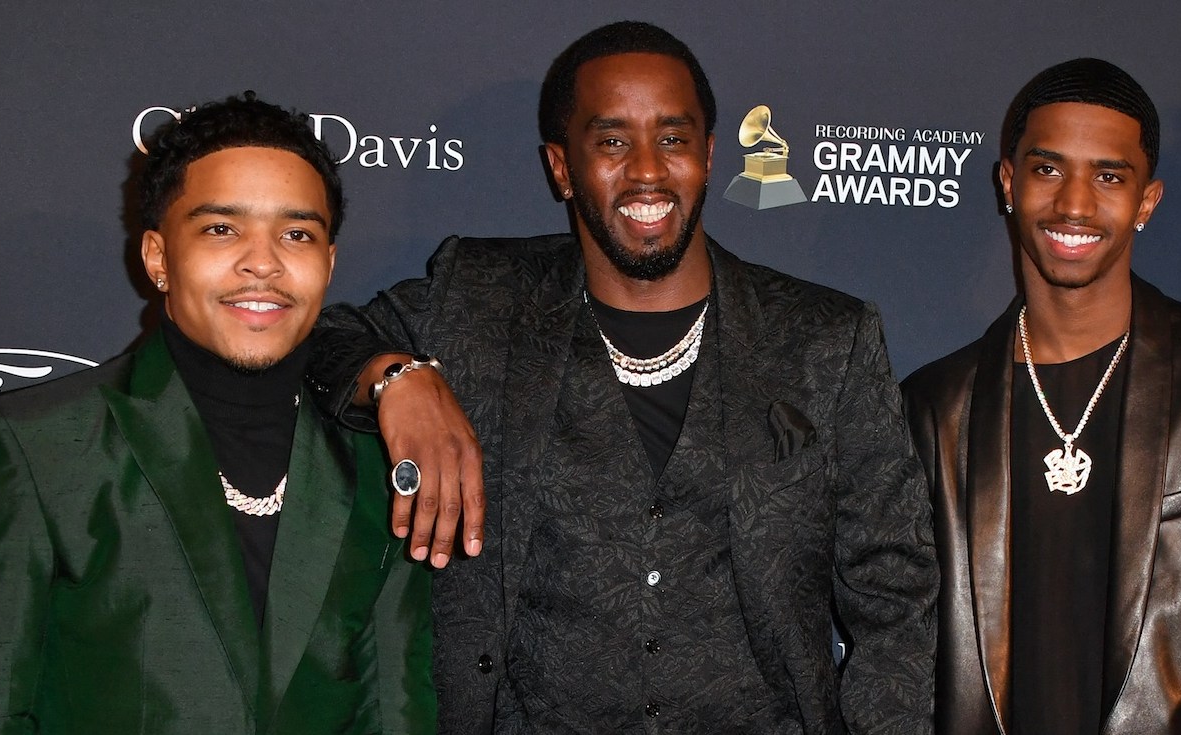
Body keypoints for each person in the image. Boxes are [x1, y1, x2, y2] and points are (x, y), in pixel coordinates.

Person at [310, 20, 936, 734]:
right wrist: (397, 378)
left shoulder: (824, 337)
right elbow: (315, 341)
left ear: (707, 155)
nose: (646, 170)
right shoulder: (478, 297)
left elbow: (895, 589)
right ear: (561, 167)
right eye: (612, 142)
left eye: (672, 139)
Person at [0, 93, 435, 733]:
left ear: (329, 263)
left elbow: (396, 710)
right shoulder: (37, 446)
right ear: (158, 258)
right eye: (221, 229)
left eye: (297, 234)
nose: (263, 262)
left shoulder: (379, 462)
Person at [902, 58, 1181, 733]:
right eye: (1047, 169)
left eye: (1108, 176)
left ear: (1146, 202)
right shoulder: (936, 407)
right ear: (1008, 183)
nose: (1074, 204)